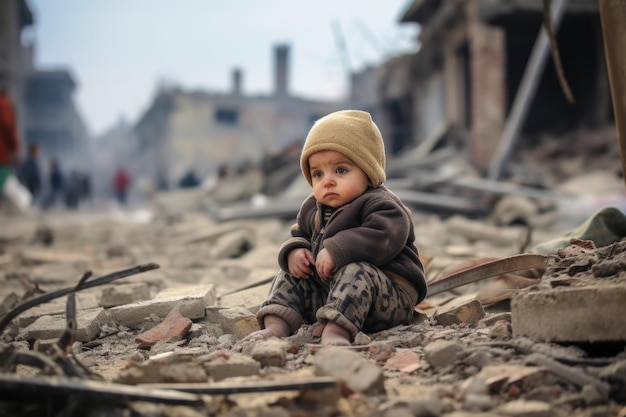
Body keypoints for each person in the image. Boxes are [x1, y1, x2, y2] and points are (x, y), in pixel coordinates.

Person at [246, 110, 427, 346]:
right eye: (318, 174)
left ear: (368, 170)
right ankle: (276, 324)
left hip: (387, 298)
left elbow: (384, 237)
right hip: (333, 295)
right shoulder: (313, 207)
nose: (327, 181)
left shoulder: (382, 204)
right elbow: (300, 234)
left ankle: (336, 332)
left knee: (356, 269)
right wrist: (296, 252)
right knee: (291, 272)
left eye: (340, 170)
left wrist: (336, 250)